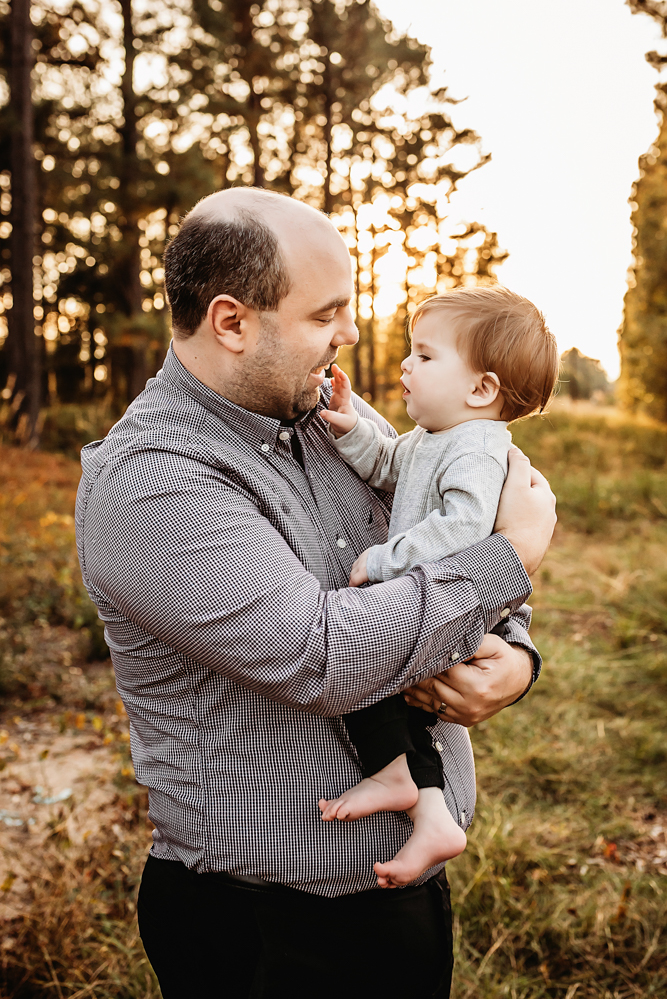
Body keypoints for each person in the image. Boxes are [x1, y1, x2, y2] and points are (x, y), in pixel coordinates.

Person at [75, 187, 556, 999]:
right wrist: (516, 556)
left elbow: (450, 543)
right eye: (325, 313)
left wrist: (514, 653)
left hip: (397, 898)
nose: (352, 334)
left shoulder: (320, 406)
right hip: (265, 931)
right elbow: (322, 654)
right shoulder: (152, 481)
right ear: (232, 322)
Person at [317, 286, 559, 889]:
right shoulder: (434, 436)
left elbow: (462, 531)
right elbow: (388, 465)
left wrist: (384, 561)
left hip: (462, 602)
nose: (405, 366)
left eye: (425, 357)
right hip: (445, 595)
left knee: (370, 664)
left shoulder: (477, 449)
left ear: (481, 389)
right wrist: (350, 428)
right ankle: (423, 801)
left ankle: (416, 791)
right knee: (384, 684)